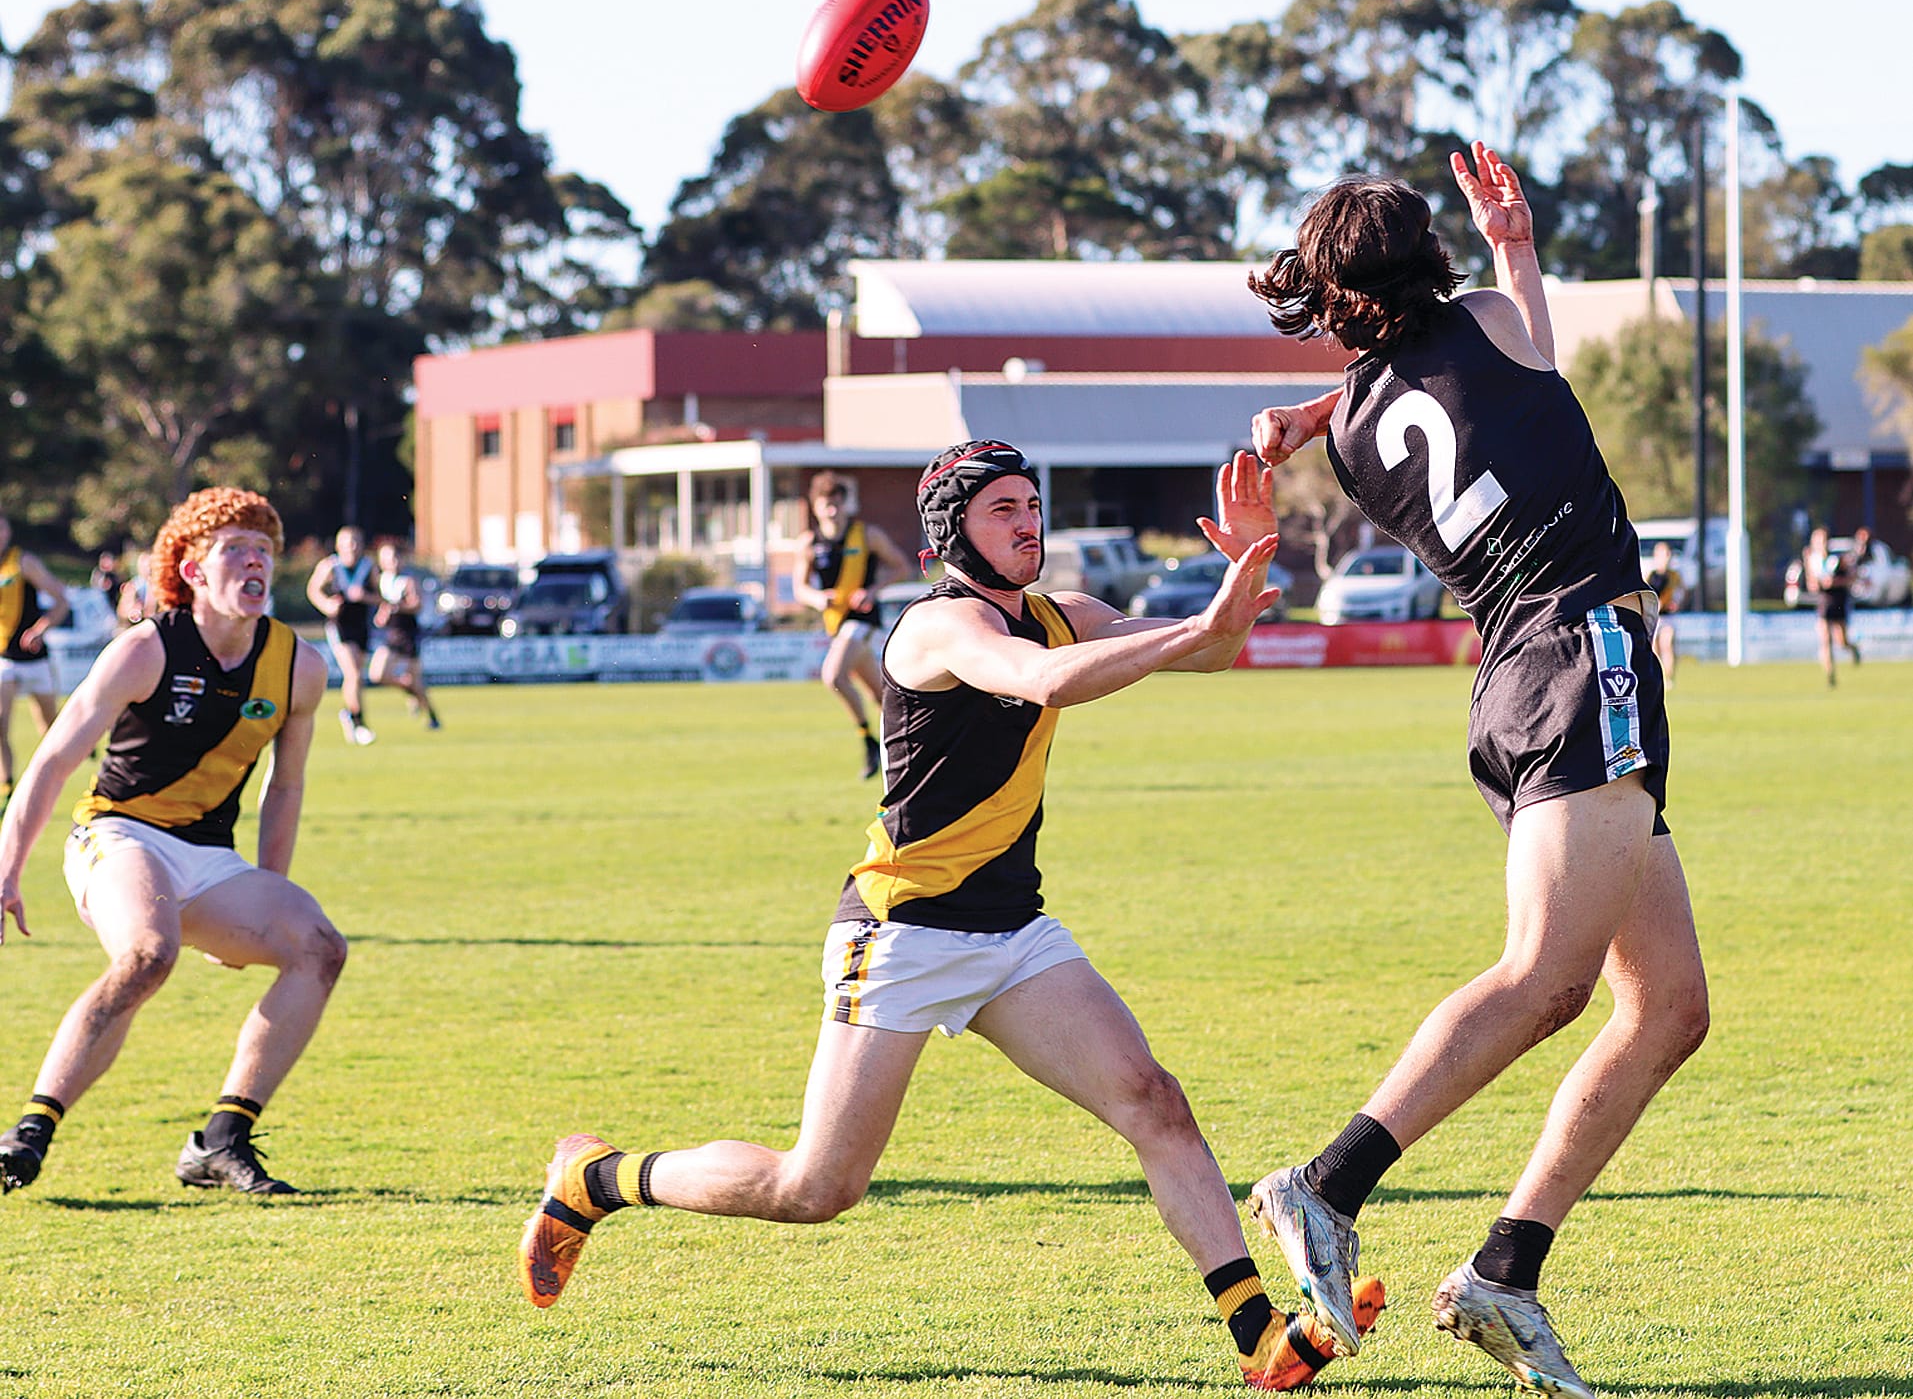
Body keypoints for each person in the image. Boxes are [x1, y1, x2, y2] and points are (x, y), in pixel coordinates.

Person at [520, 442, 1318, 1388]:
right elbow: (1045, 680)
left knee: (1153, 1100)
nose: (1028, 522)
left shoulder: (1066, 613)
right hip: (899, 934)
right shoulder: (939, 627)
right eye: (1002, 510)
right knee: (815, 1187)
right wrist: (1198, 627)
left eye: (1032, 504)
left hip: (1013, 933)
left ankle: (1258, 1334)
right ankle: (600, 1177)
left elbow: (1213, 648)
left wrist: (1244, 570)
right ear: (955, 532)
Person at [1241, 144, 1709, 1399]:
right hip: (1583, 657)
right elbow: (1527, 368)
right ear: (1427, 264)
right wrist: (1515, 245)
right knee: (1543, 981)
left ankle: (1505, 1271)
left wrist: (1306, 410)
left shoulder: (1344, 435)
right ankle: (1325, 1186)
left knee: (1665, 1005)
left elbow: (1489, 384)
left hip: (1515, 682)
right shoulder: (1484, 325)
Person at [0, 487, 347, 1196]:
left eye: (265, 551)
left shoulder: (299, 666)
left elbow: (285, 786)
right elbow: (53, 760)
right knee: (147, 954)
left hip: (211, 857)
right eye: (235, 549)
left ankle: (221, 1139)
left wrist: (271, 885)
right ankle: (29, 1131)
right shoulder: (145, 648)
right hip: (117, 834)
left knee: (318, 946)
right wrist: (7, 869)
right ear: (192, 571)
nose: (256, 562)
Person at [791, 471, 910, 778]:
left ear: (845, 505)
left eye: (837, 503)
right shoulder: (809, 543)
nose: (832, 509)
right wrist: (819, 599)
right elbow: (800, 589)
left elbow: (901, 567)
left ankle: (869, 741)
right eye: (825, 504)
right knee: (881, 696)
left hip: (863, 620)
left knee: (833, 676)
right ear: (815, 507)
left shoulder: (867, 535)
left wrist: (871, 590)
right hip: (836, 623)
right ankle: (908, 744)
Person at [0, 513, 72, 804]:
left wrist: (41, 629)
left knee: (49, 726)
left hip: (34, 658)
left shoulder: (23, 562)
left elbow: (61, 599)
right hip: (4, 657)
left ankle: (54, 776)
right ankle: (6, 784)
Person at [306, 525, 377, 744]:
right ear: (338, 546)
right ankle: (359, 723)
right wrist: (327, 605)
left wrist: (364, 596)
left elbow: (379, 597)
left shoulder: (368, 566)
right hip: (339, 626)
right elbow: (313, 590)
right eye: (346, 543)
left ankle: (349, 714)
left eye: (355, 543)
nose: (351, 548)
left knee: (357, 677)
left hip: (361, 626)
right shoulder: (330, 566)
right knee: (353, 673)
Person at [368, 540, 441, 730]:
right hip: (390, 635)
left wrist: (399, 607)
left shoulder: (407, 581)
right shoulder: (381, 580)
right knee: (377, 674)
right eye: (386, 557)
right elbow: (383, 607)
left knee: (416, 681)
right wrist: (382, 615)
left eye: (394, 557)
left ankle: (433, 716)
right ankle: (408, 690)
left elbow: (417, 605)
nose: (391, 561)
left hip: (408, 635)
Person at [1803, 527, 1858, 685]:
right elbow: (1812, 586)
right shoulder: (1813, 561)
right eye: (1818, 540)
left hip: (1838, 601)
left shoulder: (1837, 560)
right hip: (1823, 602)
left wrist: (1835, 582)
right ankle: (1830, 675)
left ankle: (1852, 649)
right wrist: (1811, 572)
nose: (1822, 544)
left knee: (1842, 642)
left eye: (1824, 540)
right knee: (1825, 640)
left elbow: (1852, 578)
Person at [1643, 540, 1683, 683]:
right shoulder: (1650, 576)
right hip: (1655, 617)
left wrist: (1675, 603)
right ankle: (1658, 676)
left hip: (1668, 617)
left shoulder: (1674, 576)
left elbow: (1680, 594)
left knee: (1667, 644)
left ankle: (1669, 677)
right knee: (1654, 649)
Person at [116, 551, 155, 628]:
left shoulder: (161, 585)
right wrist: (133, 609)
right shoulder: (133, 585)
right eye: (144, 565)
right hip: (139, 626)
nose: (147, 569)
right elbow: (122, 612)